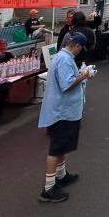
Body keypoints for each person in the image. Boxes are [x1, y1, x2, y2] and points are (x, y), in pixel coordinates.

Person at [37, 32, 94, 203]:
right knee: (56, 148)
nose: (80, 51)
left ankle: (61, 175)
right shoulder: (64, 59)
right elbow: (67, 83)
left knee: (63, 146)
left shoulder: (63, 57)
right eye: (80, 48)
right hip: (62, 112)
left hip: (66, 110)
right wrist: (84, 74)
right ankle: (48, 188)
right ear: (76, 45)